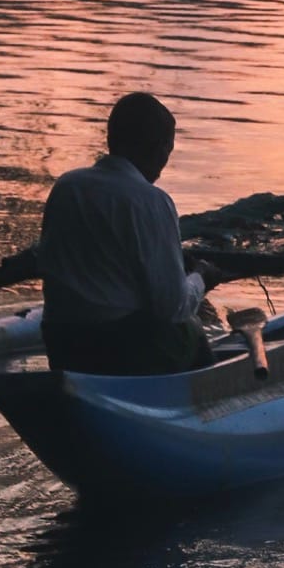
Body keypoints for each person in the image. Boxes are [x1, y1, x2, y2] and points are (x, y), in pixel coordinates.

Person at [39, 92, 214, 376]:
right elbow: (173, 307)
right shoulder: (151, 201)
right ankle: (201, 406)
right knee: (190, 328)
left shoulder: (68, 186)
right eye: (167, 150)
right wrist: (201, 278)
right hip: (121, 351)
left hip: (62, 345)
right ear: (160, 149)